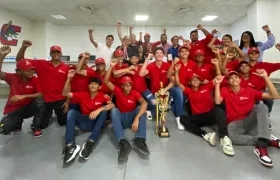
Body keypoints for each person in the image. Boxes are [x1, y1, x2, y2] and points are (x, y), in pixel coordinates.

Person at [214, 70, 280, 167]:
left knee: (262, 107)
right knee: (233, 139)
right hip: (235, 124)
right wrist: (217, 84)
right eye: (231, 78)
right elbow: (217, 102)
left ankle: (261, 146)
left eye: (236, 77)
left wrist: (266, 77)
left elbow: (275, 96)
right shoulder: (225, 90)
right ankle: (267, 139)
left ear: (240, 80)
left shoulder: (249, 90)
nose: (234, 79)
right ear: (228, 81)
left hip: (250, 120)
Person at [174, 61, 235, 156]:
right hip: (199, 117)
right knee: (182, 118)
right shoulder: (189, 91)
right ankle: (206, 135)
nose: (195, 81)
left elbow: (218, 78)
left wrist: (217, 66)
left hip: (210, 115)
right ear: (189, 82)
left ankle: (224, 137)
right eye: (193, 80)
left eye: (197, 79)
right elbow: (178, 84)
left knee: (219, 109)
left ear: (200, 81)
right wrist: (177, 71)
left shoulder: (207, 86)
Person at [62, 70, 114, 164]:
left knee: (103, 112)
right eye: (91, 84)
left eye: (95, 84)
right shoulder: (82, 95)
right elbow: (65, 93)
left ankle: (90, 142)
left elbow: (112, 105)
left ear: (100, 87)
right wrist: (68, 79)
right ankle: (70, 145)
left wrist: (99, 109)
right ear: (88, 86)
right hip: (84, 122)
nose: (93, 86)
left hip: (95, 123)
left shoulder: (103, 96)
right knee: (71, 112)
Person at [16, 40, 69, 129]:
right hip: (46, 99)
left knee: (63, 123)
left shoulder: (66, 67)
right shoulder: (41, 64)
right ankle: (47, 116)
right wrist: (24, 47)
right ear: (50, 54)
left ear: (61, 54)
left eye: (58, 52)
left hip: (61, 99)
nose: (56, 54)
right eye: (53, 52)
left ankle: (57, 115)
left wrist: (68, 101)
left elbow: (69, 84)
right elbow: (20, 60)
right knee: (42, 125)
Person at [104, 61, 149, 161]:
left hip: (132, 120)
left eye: (129, 85)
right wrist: (111, 67)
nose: (127, 87)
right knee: (114, 110)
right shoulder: (118, 91)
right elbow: (106, 81)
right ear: (122, 86)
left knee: (140, 108)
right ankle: (123, 142)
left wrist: (137, 118)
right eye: (125, 85)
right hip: (122, 119)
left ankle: (140, 140)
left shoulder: (135, 93)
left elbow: (145, 103)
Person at [0, 46, 43, 137]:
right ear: (19, 72)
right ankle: (17, 123)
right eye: (28, 70)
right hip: (13, 109)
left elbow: (40, 93)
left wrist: (24, 96)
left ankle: (36, 127)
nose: (31, 72)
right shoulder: (12, 78)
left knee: (40, 101)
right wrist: (2, 56)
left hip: (27, 108)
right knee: (4, 129)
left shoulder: (35, 80)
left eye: (32, 69)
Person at [140, 47, 184, 129]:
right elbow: (141, 74)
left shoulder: (167, 65)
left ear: (163, 55)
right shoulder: (151, 65)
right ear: (154, 55)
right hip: (155, 93)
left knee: (178, 90)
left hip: (166, 90)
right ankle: (152, 111)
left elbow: (173, 81)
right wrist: (147, 59)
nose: (159, 54)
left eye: (161, 53)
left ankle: (179, 117)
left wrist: (165, 89)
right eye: (157, 53)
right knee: (161, 108)